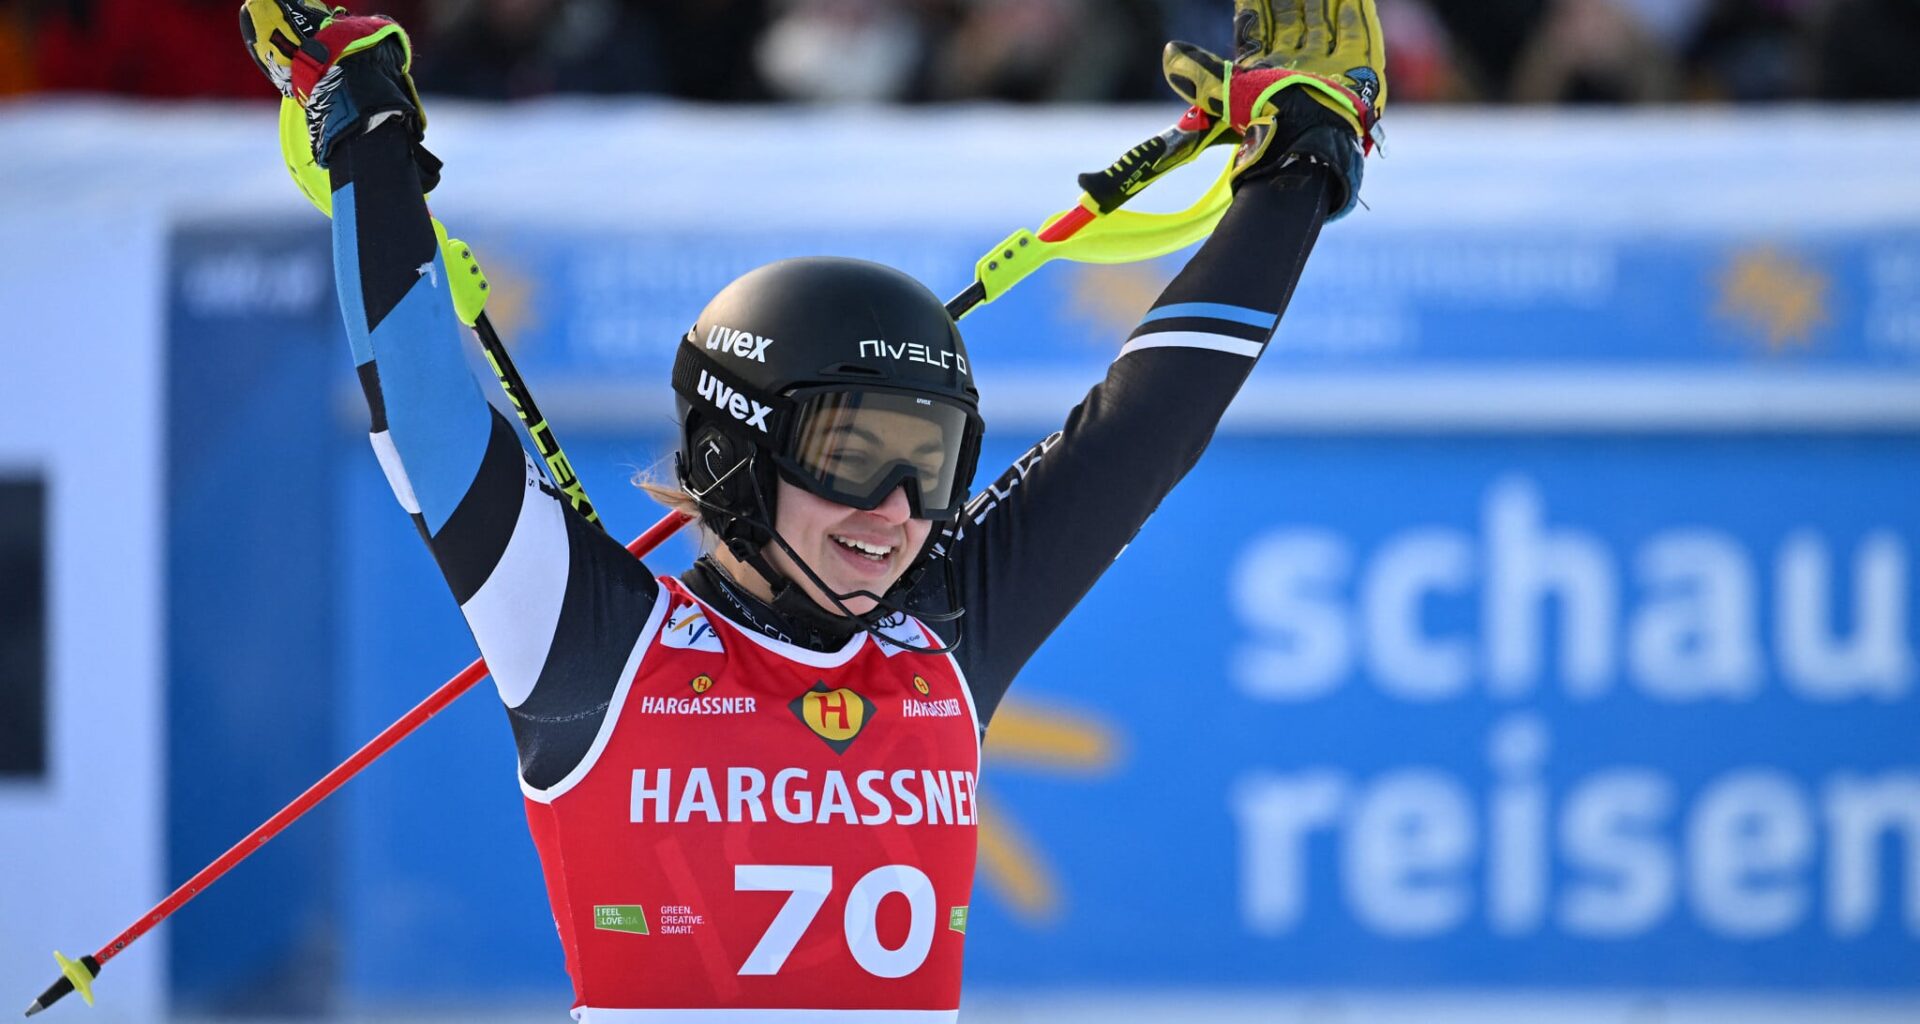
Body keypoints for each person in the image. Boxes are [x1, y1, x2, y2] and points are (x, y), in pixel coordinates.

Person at [238, 0, 1385, 1017]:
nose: (894, 513)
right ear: (735, 455)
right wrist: (367, 135)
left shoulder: (940, 635)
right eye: (851, 457)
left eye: (929, 469)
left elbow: (1148, 421)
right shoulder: (590, 641)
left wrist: (1298, 173)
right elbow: (429, 415)